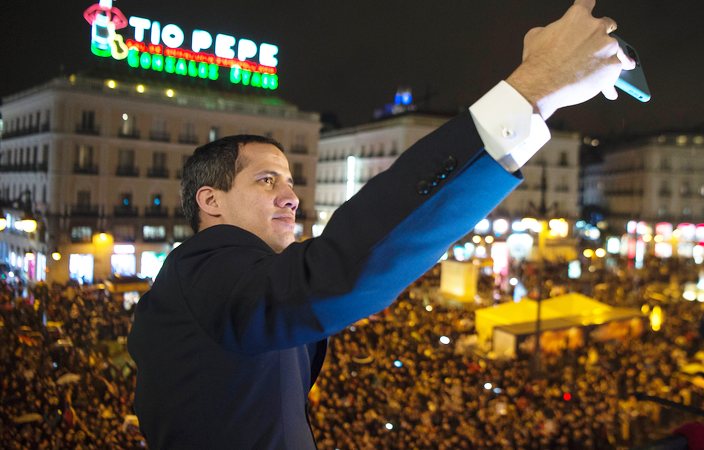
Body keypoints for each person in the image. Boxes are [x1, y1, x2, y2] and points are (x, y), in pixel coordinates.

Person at [127, 0, 634, 448]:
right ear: (210, 201)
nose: (290, 196)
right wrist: (535, 88)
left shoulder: (230, 285)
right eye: (265, 180)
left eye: (288, 180)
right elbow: (339, 269)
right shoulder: (198, 269)